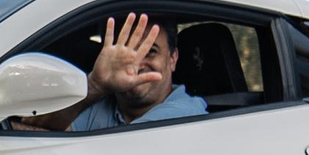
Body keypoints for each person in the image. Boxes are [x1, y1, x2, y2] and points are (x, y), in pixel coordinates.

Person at [20, 11, 208, 132]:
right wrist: (94, 85)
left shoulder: (186, 115)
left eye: (150, 52)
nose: (136, 64)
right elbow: (31, 131)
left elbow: (119, 153)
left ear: (173, 59)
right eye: (125, 51)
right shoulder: (102, 102)